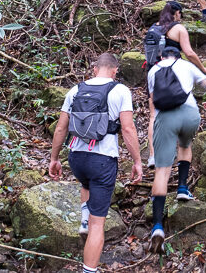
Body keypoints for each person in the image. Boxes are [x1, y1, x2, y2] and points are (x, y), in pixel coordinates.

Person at [49, 53, 143, 273]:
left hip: (76, 158)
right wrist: (137, 161)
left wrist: (54, 158)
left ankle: (84, 219)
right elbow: (128, 128)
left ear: (94, 69)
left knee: (86, 183)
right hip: (102, 160)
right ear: (115, 71)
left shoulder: (75, 90)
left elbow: (61, 128)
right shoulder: (120, 90)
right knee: (98, 224)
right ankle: (89, 270)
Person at [147, 46, 206, 253]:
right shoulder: (187, 66)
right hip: (190, 115)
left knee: (162, 171)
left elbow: (153, 101)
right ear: (178, 56)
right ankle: (182, 188)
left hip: (166, 118)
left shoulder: (153, 70)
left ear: (162, 56)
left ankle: (157, 227)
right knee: (185, 145)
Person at [145, 1, 206, 167]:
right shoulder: (179, 29)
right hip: (175, 75)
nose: (180, 16)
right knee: (180, 110)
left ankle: (153, 156)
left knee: (154, 115)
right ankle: (180, 151)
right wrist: (203, 68)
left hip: (154, 73)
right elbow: (189, 52)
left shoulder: (154, 28)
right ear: (176, 13)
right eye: (180, 13)